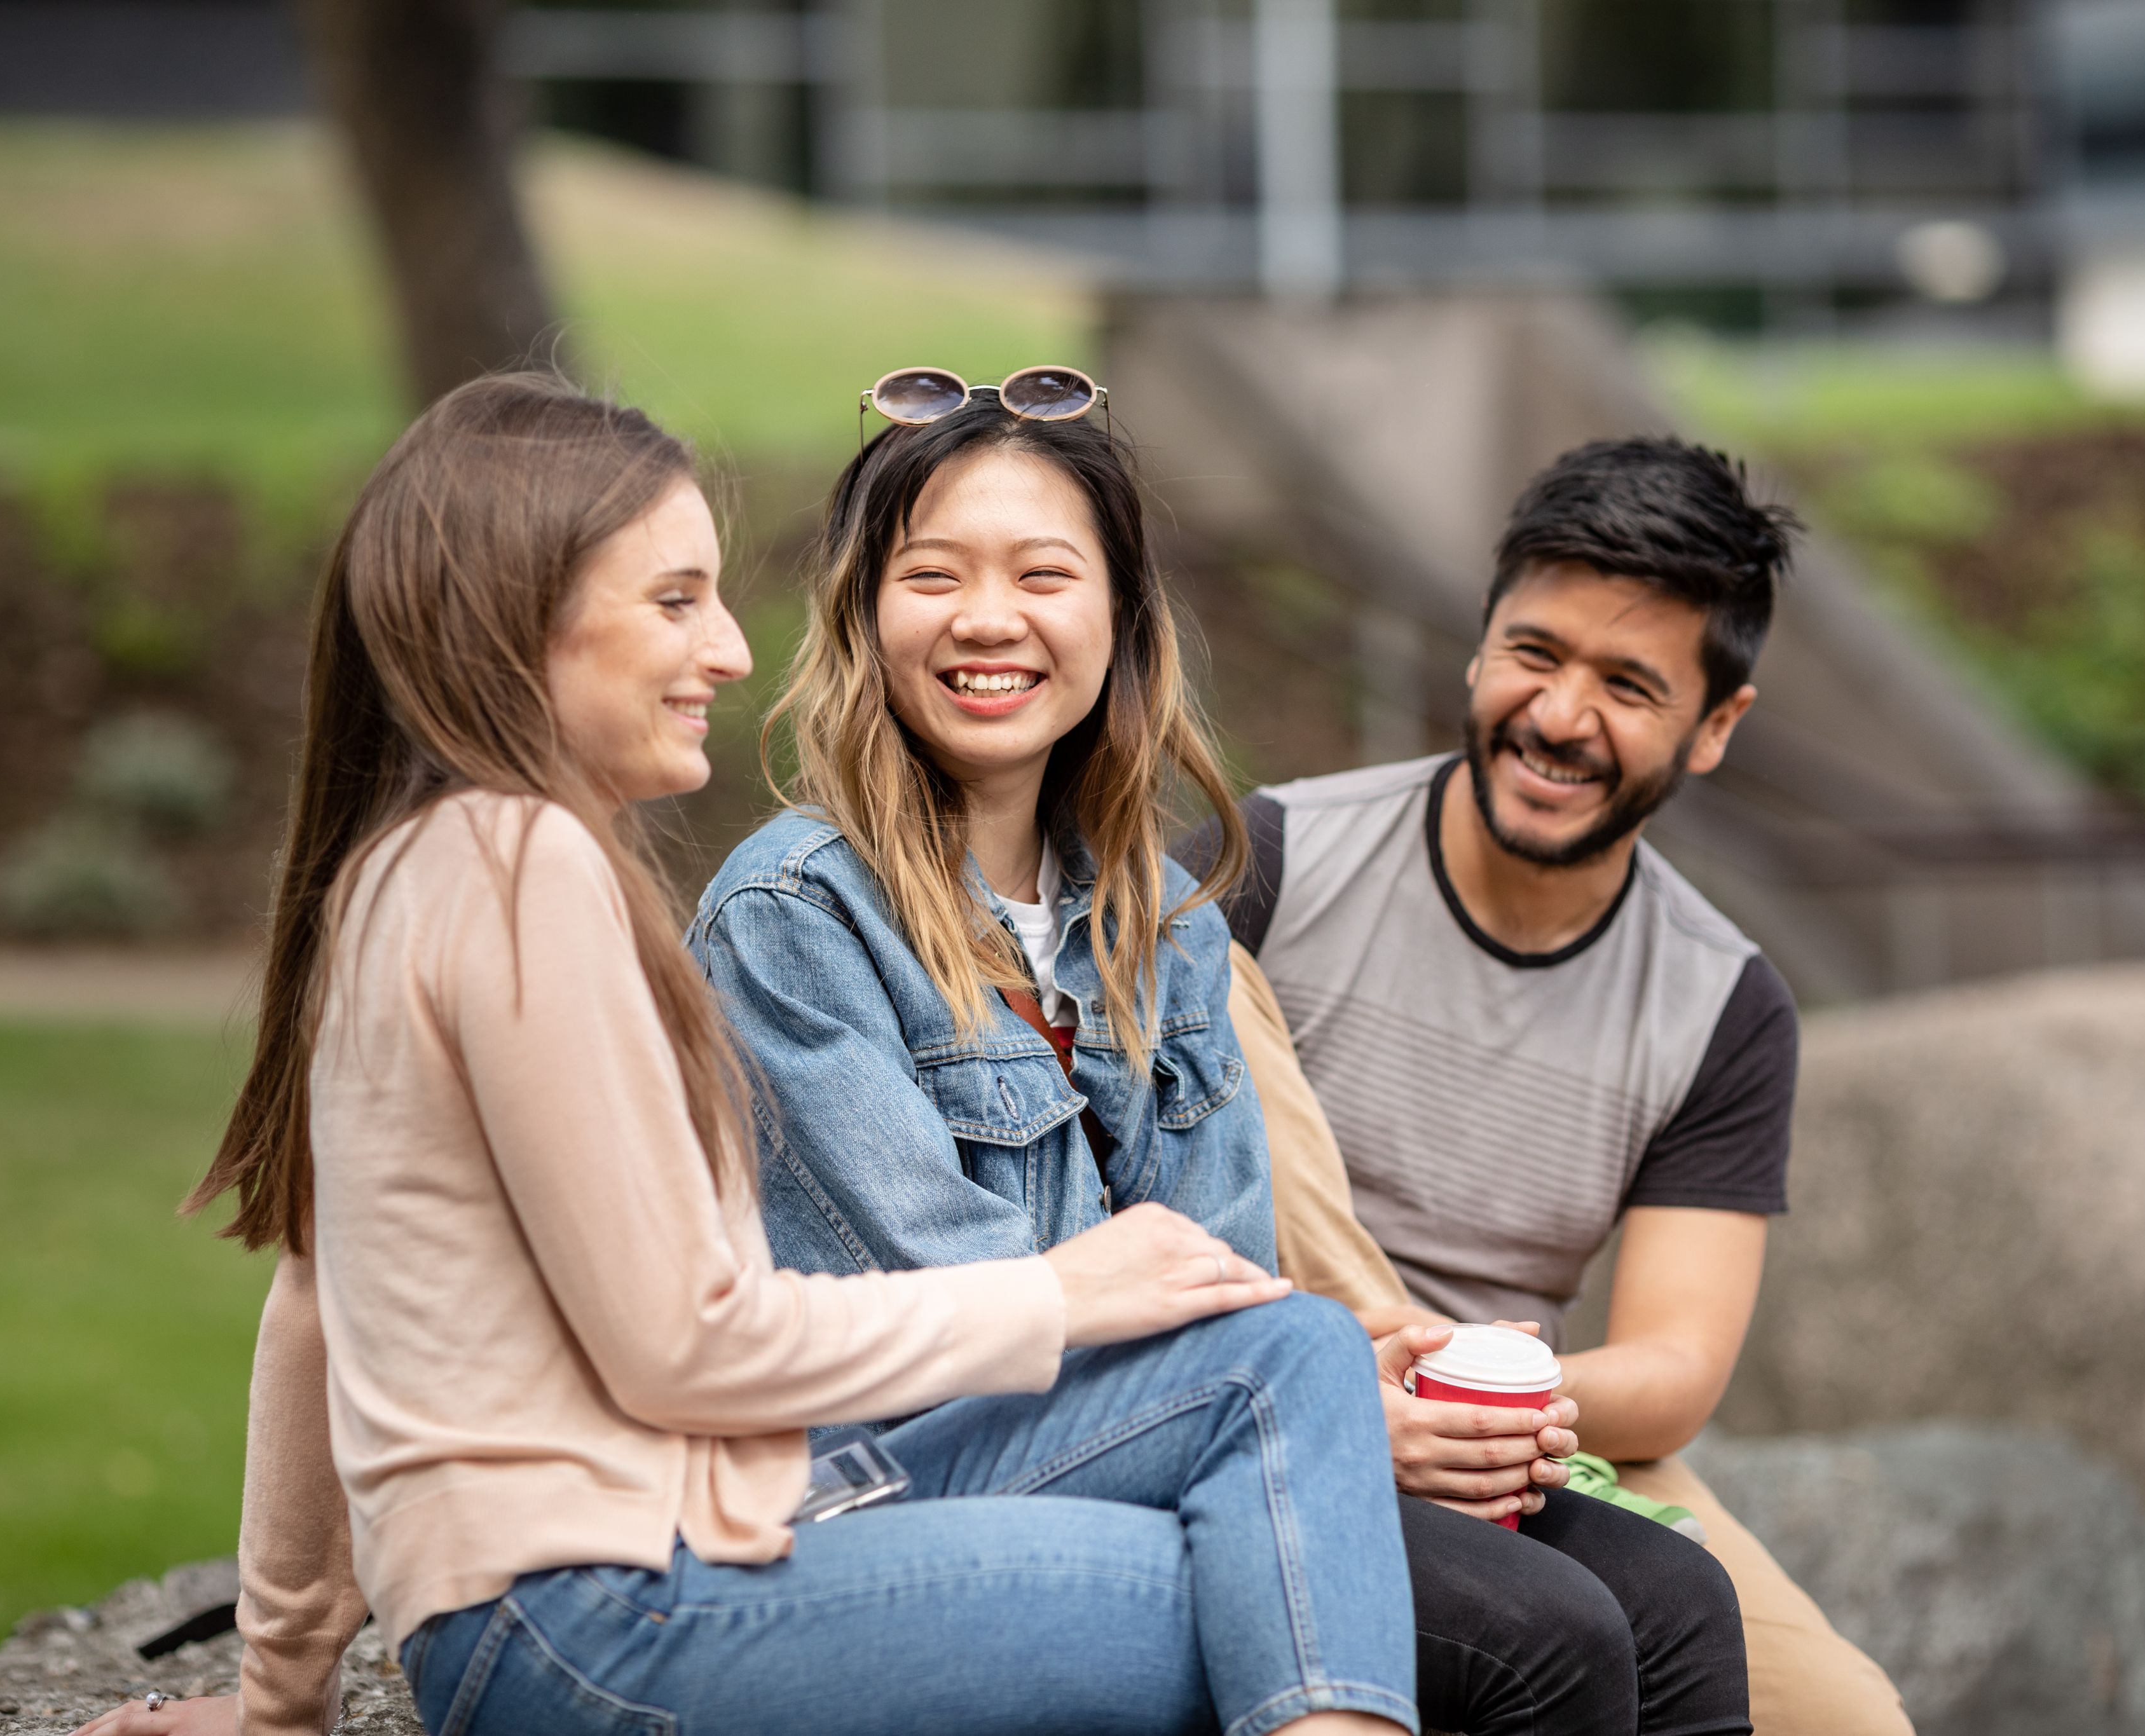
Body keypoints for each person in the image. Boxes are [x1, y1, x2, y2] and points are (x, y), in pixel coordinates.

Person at [70, 372, 1422, 1736]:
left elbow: (315, 1295)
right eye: (674, 601)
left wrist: (283, 1700)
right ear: (517, 612)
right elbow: (684, 1341)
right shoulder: (520, 867)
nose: (726, 647)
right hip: (600, 1613)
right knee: (1267, 1577)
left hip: (552, 1611)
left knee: (1282, 1435)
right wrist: (1059, 1293)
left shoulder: (410, 868)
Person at [693, 373, 1751, 1736]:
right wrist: (1315, 1415)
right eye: (932, 574)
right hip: (925, 1476)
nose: (986, 617)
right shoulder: (793, 916)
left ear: (1119, 622)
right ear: (863, 615)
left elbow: (1224, 1269)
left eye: (1041, 573)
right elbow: (949, 1312)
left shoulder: (1161, 927)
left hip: (1186, 1426)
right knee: (1539, 1638)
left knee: (1670, 1598)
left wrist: (1361, 1404)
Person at [1189, 436, 1916, 1736]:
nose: (1559, 715)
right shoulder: (1272, 860)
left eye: (1627, 683)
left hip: (1539, 1427)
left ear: (1713, 727)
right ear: (1476, 650)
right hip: (1271, 1371)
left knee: (1848, 1720)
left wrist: (1498, 1404)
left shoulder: (1719, 1001)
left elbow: (1674, 1366)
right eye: (1535, 653)